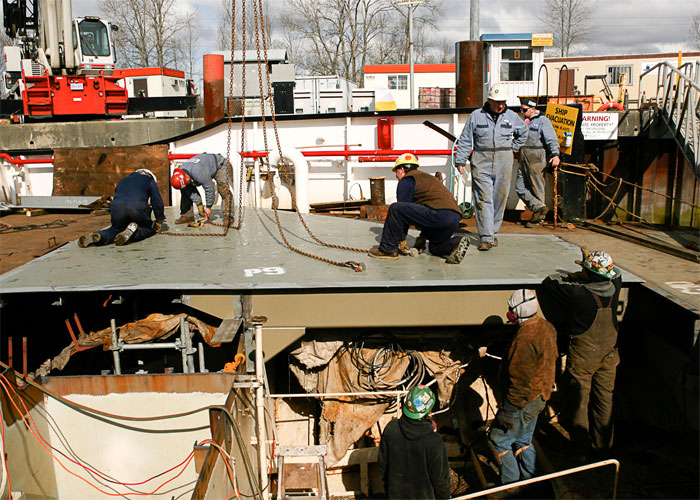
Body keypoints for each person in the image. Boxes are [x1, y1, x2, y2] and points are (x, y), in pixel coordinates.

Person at [537, 247, 622, 459]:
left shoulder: (578, 293)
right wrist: (592, 266)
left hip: (585, 357)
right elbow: (616, 271)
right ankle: (604, 449)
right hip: (609, 355)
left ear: (588, 274)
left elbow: (551, 280)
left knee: (579, 402)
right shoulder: (616, 286)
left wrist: (577, 274)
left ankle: (580, 450)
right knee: (605, 401)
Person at [489, 289, 557, 485]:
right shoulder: (546, 326)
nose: (508, 312)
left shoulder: (525, 339)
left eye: (510, 309)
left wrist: (508, 412)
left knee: (498, 440)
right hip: (540, 397)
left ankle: (511, 485)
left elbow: (520, 382)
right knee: (524, 440)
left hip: (522, 402)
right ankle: (530, 480)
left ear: (518, 311)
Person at [454, 84, 527, 251]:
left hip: (504, 161)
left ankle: (492, 232)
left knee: (499, 198)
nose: (500, 105)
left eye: (502, 102)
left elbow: (523, 133)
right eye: (496, 102)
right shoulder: (476, 116)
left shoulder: (512, 117)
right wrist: (460, 160)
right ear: (489, 100)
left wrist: (513, 148)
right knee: (483, 199)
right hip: (481, 160)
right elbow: (466, 139)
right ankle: (486, 237)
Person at [368, 153, 469, 264]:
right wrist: (423, 237)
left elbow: (402, 212)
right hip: (454, 217)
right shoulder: (427, 178)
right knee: (435, 247)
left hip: (439, 214)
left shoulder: (407, 180)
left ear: (401, 169)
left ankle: (387, 250)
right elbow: (427, 208)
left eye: (396, 172)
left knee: (395, 208)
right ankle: (456, 243)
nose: (396, 176)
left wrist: (401, 240)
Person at [378, 385, 451, 500]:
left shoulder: (391, 428)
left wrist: (389, 488)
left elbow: (383, 465)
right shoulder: (434, 441)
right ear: (429, 410)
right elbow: (441, 480)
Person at [78, 169, 165, 248]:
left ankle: (101, 236)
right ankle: (133, 233)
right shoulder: (149, 180)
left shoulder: (122, 181)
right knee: (147, 229)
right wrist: (159, 219)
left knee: (115, 229)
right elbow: (156, 201)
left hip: (117, 210)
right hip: (136, 209)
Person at [515, 98, 560, 228]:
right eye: (521, 109)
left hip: (537, 158)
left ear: (533, 109)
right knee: (520, 187)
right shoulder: (524, 122)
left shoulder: (543, 121)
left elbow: (551, 139)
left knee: (537, 187)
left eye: (524, 110)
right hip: (524, 158)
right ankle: (539, 207)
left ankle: (539, 218)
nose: (522, 112)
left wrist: (555, 154)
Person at [170, 153, 232, 224]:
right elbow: (190, 191)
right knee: (185, 191)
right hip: (204, 167)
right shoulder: (180, 173)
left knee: (223, 189)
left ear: (186, 177)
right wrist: (200, 205)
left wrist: (208, 207)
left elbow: (209, 188)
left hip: (218, 165)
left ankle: (229, 215)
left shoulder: (198, 172)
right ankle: (187, 216)